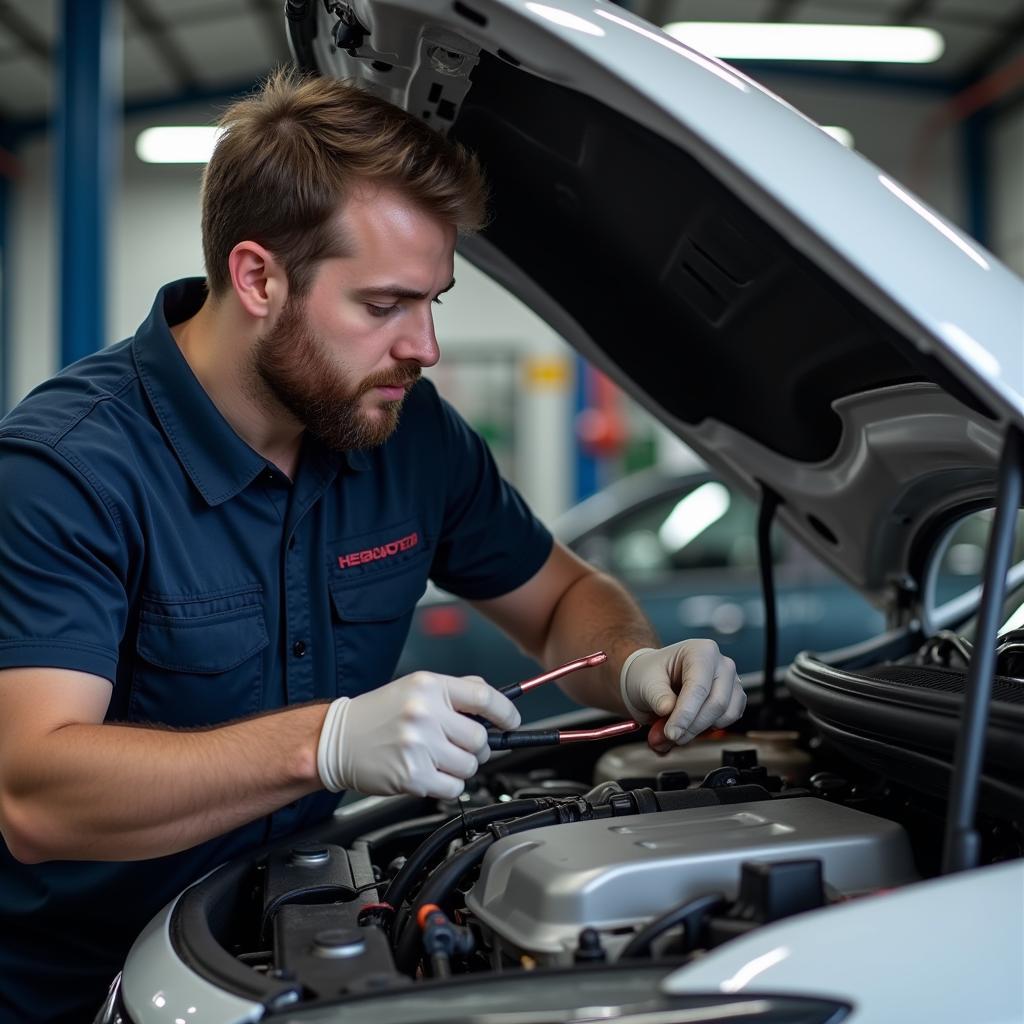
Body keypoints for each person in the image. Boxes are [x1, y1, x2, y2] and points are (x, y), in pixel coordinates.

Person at [0, 69, 744, 1022]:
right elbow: (36, 796)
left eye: (434, 299)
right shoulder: (69, 467)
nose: (426, 346)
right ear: (258, 277)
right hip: (76, 992)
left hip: (294, 951)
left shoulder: (410, 435)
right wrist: (328, 742)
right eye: (385, 305)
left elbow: (561, 604)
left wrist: (639, 665)